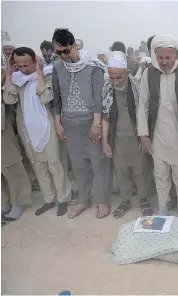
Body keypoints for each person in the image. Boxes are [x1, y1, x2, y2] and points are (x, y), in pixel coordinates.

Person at [3, 47, 72, 217]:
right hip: (27, 130)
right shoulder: (17, 80)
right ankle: (49, 199)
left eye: (27, 65)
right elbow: (8, 99)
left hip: (46, 127)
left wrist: (39, 74)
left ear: (36, 61)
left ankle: (63, 198)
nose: (23, 69)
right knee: (38, 166)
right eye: (19, 66)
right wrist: (10, 74)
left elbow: (46, 98)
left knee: (54, 164)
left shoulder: (47, 76)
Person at [137, 35, 178, 217]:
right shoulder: (149, 73)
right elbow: (143, 104)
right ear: (155, 56)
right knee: (160, 175)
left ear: (176, 56)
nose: (164, 62)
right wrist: (143, 134)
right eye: (160, 58)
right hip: (157, 135)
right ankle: (163, 208)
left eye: (168, 58)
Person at [51, 28, 112, 219]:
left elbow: (98, 97)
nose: (63, 56)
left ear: (74, 45)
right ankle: (84, 200)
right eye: (58, 53)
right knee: (78, 165)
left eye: (66, 51)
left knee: (98, 162)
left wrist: (96, 124)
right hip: (69, 123)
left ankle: (103, 200)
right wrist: (58, 123)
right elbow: (57, 99)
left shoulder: (94, 66)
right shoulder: (58, 68)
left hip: (90, 122)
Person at [101, 51, 152, 218]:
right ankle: (126, 201)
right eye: (112, 77)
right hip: (117, 140)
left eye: (119, 77)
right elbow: (105, 117)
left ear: (126, 73)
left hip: (135, 139)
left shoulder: (137, 88)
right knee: (121, 172)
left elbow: (144, 114)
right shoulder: (107, 90)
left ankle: (143, 199)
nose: (115, 81)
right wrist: (105, 142)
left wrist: (144, 137)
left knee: (140, 171)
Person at [1, 65, 32, 222]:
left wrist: (7, 74)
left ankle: (19, 201)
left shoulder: (2, 73)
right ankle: (3, 202)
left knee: (10, 164)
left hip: (2, 127)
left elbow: (8, 97)